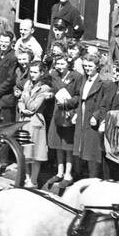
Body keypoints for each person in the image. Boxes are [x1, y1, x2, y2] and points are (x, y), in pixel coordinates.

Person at [72, 51, 110, 180]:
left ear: (97, 67)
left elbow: (105, 103)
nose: (87, 69)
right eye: (85, 66)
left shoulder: (103, 82)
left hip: (92, 118)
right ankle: (81, 177)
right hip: (83, 114)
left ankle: (93, 178)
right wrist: (77, 113)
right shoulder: (84, 78)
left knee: (92, 151)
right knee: (81, 148)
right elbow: (81, 98)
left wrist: (96, 115)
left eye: (90, 66)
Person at [19, 59, 52, 187]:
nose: (32, 75)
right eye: (31, 72)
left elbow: (34, 106)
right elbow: (20, 101)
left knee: (36, 153)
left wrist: (26, 94)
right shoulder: (28, 84)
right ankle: (27, 178)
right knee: (25, 152)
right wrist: (22, 108)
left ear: (42, 73)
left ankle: (34, 180)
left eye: (35, 72)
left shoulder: (44, 88)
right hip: (25, 120)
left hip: (36, 121)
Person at [47, 53, 79, 183]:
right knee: (57, 143)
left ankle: (68, 174)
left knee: (67, 144)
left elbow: (78, 95)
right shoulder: (53, 75)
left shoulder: (76, 76)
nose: (59, 66)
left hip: (68, 112)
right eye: (57, 64)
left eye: (62, 63)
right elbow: (50, 88)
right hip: (57, 111)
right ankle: (59, 172)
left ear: (68, 63)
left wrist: (69, 103)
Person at [0, 30, 19, 124]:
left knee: (5, 127)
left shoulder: (13, 57)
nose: (3, 44)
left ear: (11, 43)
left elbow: (10, 80)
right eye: (1, 41)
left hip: (5, 99)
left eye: (6, 42)